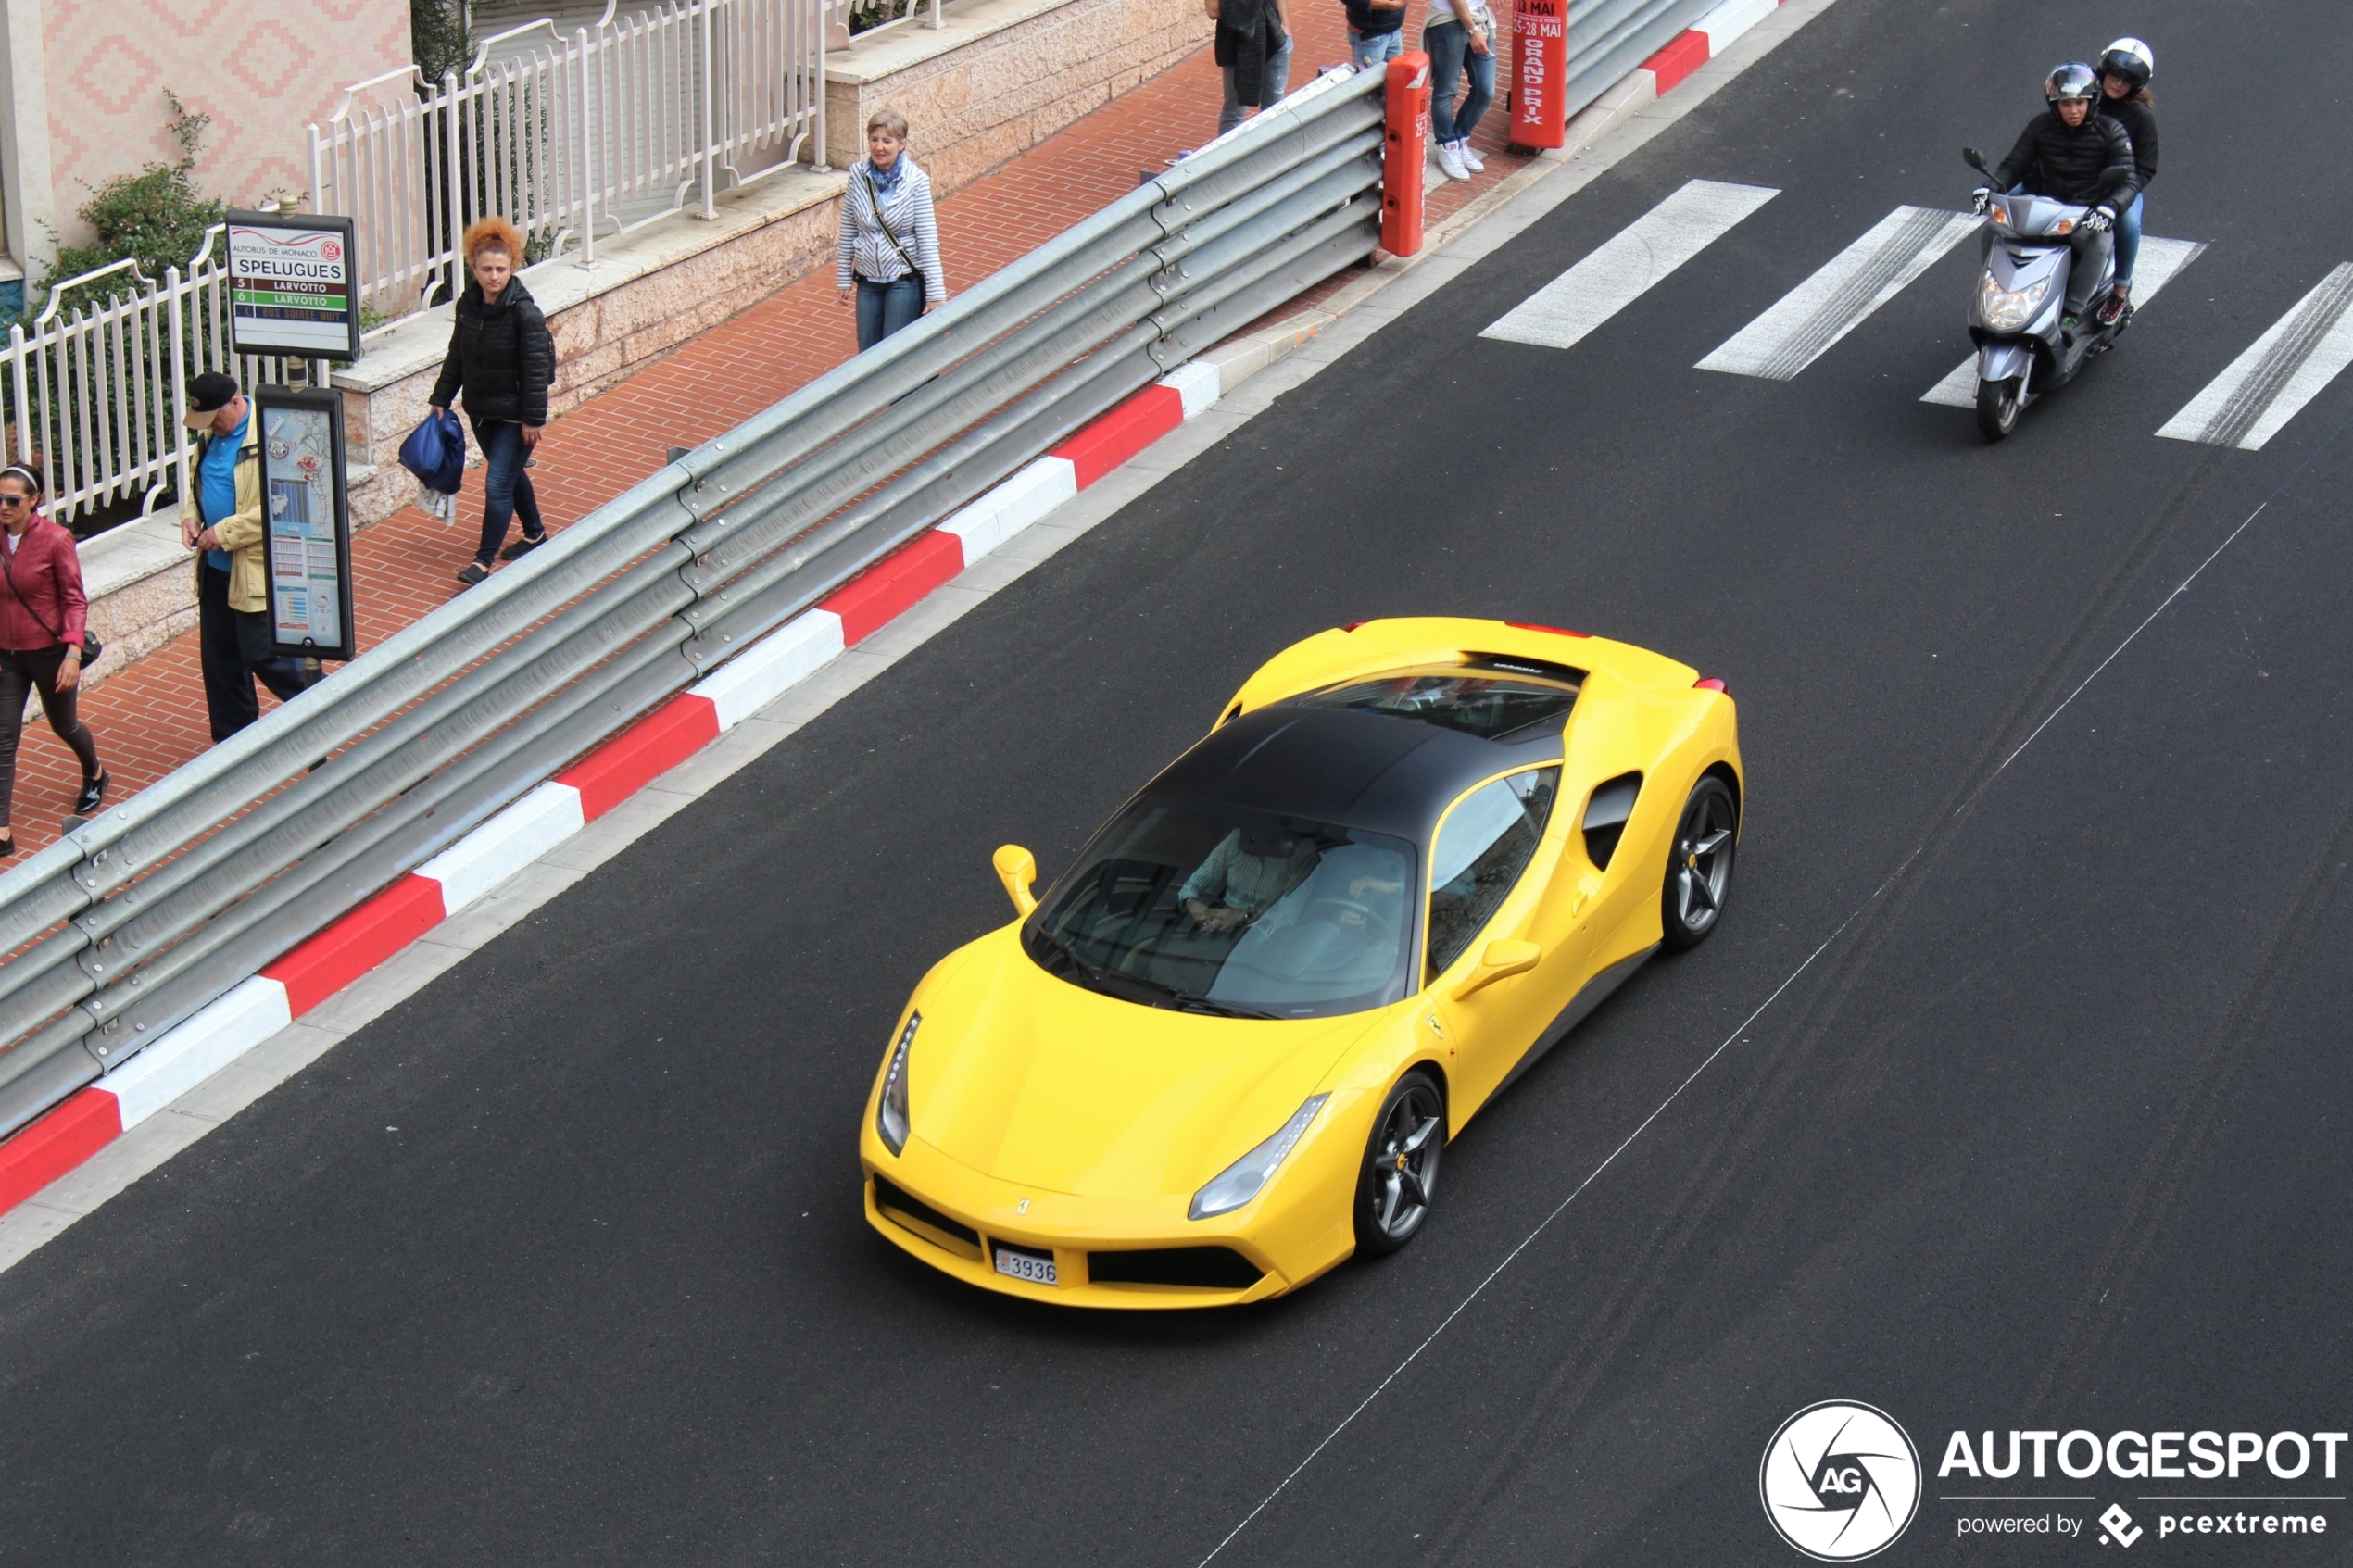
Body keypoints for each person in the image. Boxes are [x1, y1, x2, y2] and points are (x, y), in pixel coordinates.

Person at [182, 372, 312, 742]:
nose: (208, 427)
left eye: (213, 418)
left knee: (264, 655)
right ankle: (233, 744)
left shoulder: (276, 436)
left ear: (235, 404)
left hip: (254, 570)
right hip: (215, 572)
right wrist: (190, 516)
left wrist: (222, 533)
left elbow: (284, 505)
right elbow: (198, 486)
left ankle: (325, 708)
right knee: (220, 662)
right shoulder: (209, 437)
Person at [430, 216, 556, 587]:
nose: (494, 277)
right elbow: (457, 355)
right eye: (487, 269)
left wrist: (533, 419)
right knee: (510, 476)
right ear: (474, 267)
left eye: (501, 269)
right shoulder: (467, 307)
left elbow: (536, 370)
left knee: (496, 484)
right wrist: (441, 397)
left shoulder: (525, 313)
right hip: (482, 413)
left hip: (516, 417)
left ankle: (482, 562)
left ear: (512, 267)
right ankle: (534, 534)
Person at [1981, 62, 2137, 330]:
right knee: (1992, 230)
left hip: (2085, 214)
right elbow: (2013, 165)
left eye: (2079, 102)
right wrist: (1989, 188)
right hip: (2045, 209)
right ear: (2054, 104)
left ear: (2091, 101)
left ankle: (2071, 312)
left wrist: (2109, 207)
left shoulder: (2111, 131)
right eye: (2065, 104)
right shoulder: (2040, 126)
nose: (2073, 111)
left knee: (2099, 243)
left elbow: (2129, 180)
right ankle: (1995, 293)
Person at [0, 463, 104, 848]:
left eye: (12, 500)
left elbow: (74, 600)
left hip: (49, 653)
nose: (4, 507)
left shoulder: (56, 540)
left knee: (65, 725)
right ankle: (2, 830)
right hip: (6, 657)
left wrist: (73, 654)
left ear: (33, 501)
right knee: (3, 738)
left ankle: (94, 773)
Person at [836, 110, 947, 352]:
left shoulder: (916, 180)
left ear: (902, 144)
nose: (879, 147)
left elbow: (928, 239)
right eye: (874, 140)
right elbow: (848, 228)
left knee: (893, 350)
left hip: (902, 280)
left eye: (887, 141)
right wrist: (844, 276)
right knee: (867, 350)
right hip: (868, 280)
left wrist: (936, 294)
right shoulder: (858, 175)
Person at [2094, 37, 2158, 325]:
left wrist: (2123, 193)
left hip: (2122, 189)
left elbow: (2145, 168)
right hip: (2077, 179)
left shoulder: (2141, 118)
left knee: (2129, 224)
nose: (2117, 83)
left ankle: (2120, 291)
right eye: (2114, 75)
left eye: (2126, 80)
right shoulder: (2084, 100)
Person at [1425, 0, 1496, 182]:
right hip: (1448, 23)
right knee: (1446, 90)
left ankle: (1460, 138)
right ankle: (1447, 145)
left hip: (1477, 18)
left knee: (1485, 90)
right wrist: (1472, 30)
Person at [1207, 0, 1291, 138]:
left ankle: (1270, 155)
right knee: (1234, 111)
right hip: (1237, 43)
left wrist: (1286, 27)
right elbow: (1213, 10)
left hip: (1275, 36)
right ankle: (1229, 157)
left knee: (1275, 108)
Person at [1341, 0, 1405, 72]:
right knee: (1366, 80)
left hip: (1394, 31)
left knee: (1395, 76)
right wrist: (1392, 5)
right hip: (1369, 36)